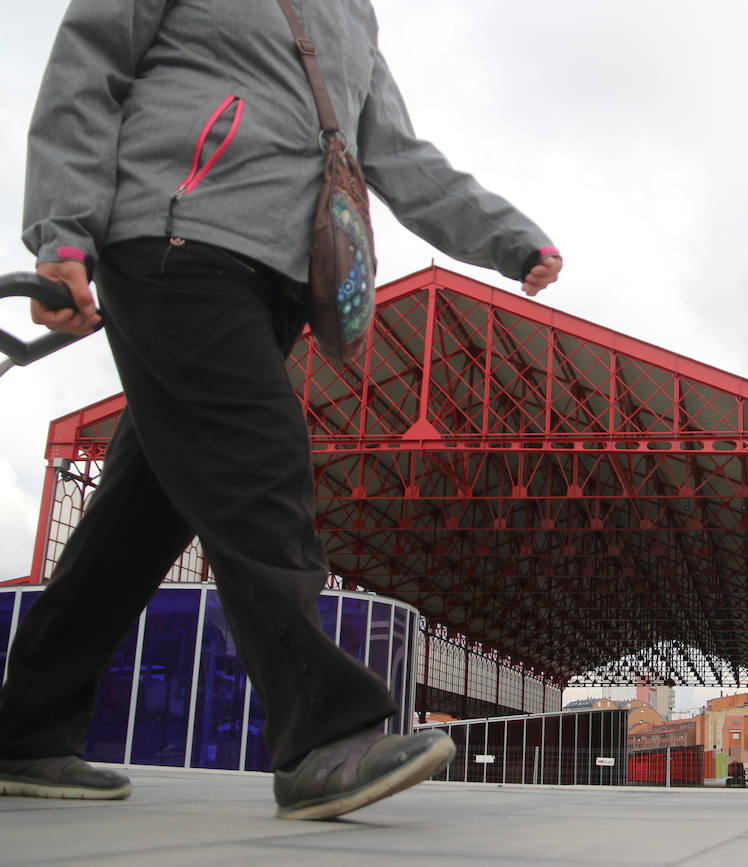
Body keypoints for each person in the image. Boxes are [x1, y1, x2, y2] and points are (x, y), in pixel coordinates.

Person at [0, 0, 561, 820]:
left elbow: (395, 152)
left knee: (136, 522)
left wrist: (508, 236)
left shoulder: (352, 18)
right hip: (172, 236)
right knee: (258, 468)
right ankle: (325, 734)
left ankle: (23, 729)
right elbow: (88, 68)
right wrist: (65, 232)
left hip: (277, 283)